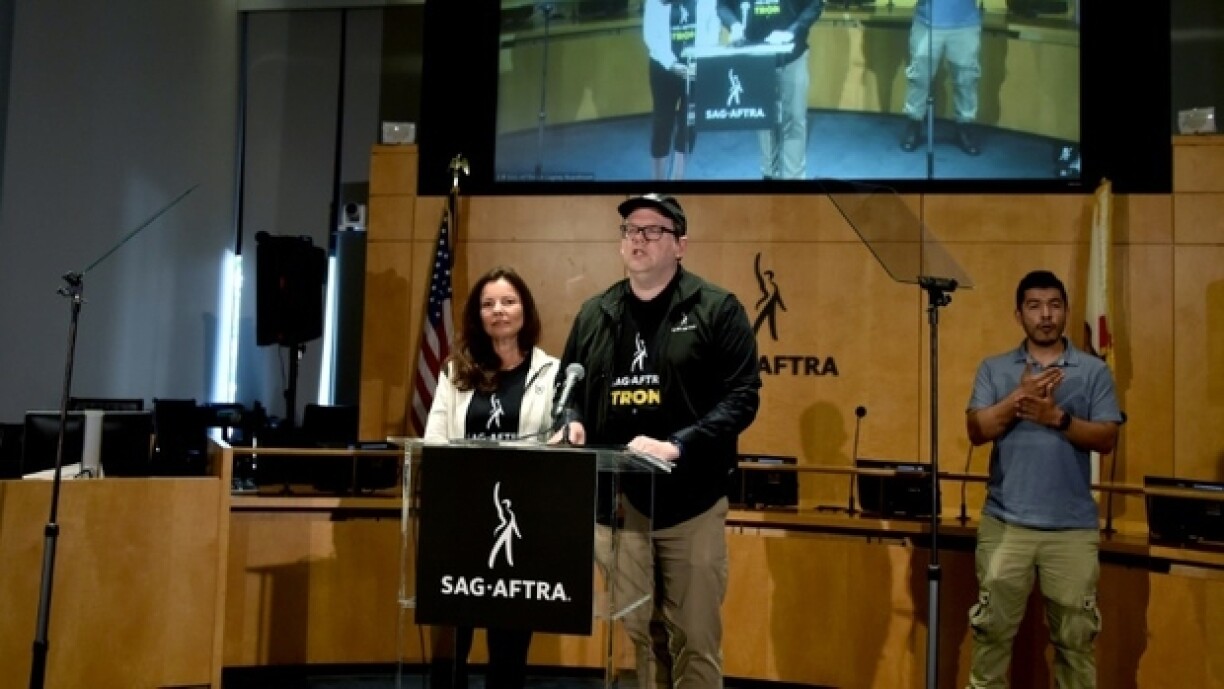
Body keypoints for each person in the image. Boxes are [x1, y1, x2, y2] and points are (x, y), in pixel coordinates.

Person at [554, 193, 761, 689]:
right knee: (638, 638)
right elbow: (570, 389)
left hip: (690, 504)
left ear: (680, 245)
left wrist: (679, 443)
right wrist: (573, 421)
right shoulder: (595, 313)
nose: (638, 239)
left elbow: (743, 398)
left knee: (693, 635)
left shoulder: (717, 309)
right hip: (621, 508)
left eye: (652, 231)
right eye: (630, 230)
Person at [964, 270, 1122, 688]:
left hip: (1071, 530)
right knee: (991, 638)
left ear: (1067, 311)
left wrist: (1057, 418)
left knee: (1075, 644)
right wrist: (1019, 401)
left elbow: (1107, 438)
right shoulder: (995, 368)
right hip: (1005, 524)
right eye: (1034, 306)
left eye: (1054, 305)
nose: (1045, 315)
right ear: (1019, 315)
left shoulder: (1093, 372)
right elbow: (976, 431)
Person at [423, 265, 560, 689]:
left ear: (525, 309)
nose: (498, 310)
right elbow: (434, 440)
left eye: (508, 301)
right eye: (488, 304)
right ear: (477, 315)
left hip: (519, 523)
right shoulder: (454, 371)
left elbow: (561, 441)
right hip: (462, 521)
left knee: (508, 646)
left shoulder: (553, 373)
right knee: (453, 644)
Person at [718, 0, 824, 179]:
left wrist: (793, 31)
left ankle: (794, 177)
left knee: (794, 118)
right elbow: (723, 6)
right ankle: (769, 174)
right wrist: (734, 25)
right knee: (763, 119)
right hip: (756, 57)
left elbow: (815, 4)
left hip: (792, 56)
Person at [899, 0, 982, 155]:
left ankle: (964, 126)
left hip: (965, 23)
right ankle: (914, 123)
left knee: (966, 79)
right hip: (927, 23)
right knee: (919, 77)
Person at [643, 0, 698, 180]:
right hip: (663, 68)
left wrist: (699, 59)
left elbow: (710, 26)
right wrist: (672, 64)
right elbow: (650, 34)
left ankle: (678, 178)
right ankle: (658, 180)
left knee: (688, 125)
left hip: (694, 68)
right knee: (662, 124)